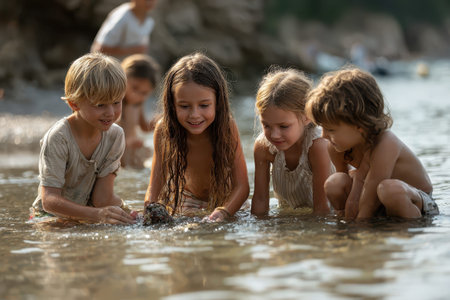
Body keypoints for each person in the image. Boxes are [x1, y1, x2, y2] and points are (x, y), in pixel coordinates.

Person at [306, 68, 439, 219]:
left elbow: (370, 196)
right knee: (335, 183)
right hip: (374, 196)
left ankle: (405, 232)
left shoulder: (386, 143)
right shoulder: (336, 147)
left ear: (359, 125)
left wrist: (364, 237)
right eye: (321, 127)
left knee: (389, 190)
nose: (324, 135)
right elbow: (349, 192)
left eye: (330, 129)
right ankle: (347, 227)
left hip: (416, 201)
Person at [30, 53, 135, 225]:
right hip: (49, 216)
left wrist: (131, 212)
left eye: (117, 102)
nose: (110, 112)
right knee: (55, 231)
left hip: (91, 213)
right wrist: (96, 215)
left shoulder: (115, 136)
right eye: (100, 105)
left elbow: (103, 199)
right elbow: (49, 201)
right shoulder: (59, 138)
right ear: (74, 104)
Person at [144, 52, 250, 221]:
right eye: (184, 106)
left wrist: (224, 211)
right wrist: (151, 210)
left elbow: (242, 187)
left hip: (228, 201)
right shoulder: (164, 129)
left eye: (204, 105)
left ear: (218, 102)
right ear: (172, 104)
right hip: (188, 201)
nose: (194, 114)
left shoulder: (226, 127)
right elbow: (154, 188)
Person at [251, 68, 333, 216]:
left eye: (284, 126)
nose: (275, 135)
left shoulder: (317, 146)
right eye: (266, 125)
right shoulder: (264, 147)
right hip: (292, 214)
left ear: (307, 116)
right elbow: (260, 200)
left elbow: (323, 209)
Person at [117, 54, 160, 168]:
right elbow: (107, 131)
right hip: (116, 149)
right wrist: (126, 141)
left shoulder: (138, 104)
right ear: (123, 79)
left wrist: (157, 122)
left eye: (144, 93)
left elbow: (144, 127)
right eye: (135, 88)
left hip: (131, 148)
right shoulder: (115, 103)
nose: (137, 95)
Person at [91, 0, 157, 60]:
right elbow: (99, 50)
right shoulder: (121, 17)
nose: (150, 2)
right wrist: (132, 50)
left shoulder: (150, 21)